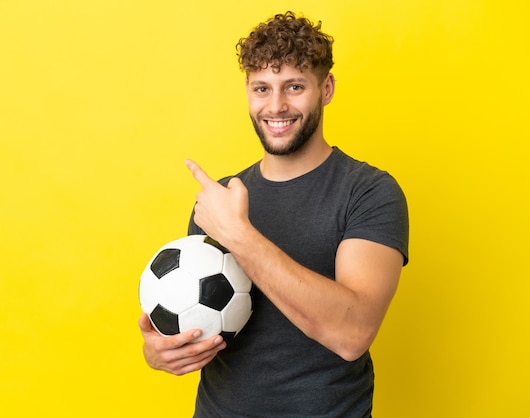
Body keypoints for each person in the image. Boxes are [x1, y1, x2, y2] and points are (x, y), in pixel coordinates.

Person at [138, 11, 409, 417]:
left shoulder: (369, 192)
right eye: (261, 88)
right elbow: (199, 319)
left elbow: (352, 334)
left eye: (294, 86)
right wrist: (162, 352)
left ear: (327, 88)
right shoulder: (219, 202)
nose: (276, 106)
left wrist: (240, 236)